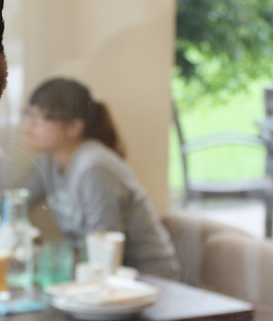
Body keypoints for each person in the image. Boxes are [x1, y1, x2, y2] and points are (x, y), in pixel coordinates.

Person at [14, 77, 180, 279]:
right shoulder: (48, 163)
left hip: (148, 277)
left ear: (74, 127)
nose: (29, 125)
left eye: (42, 117)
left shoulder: (95, 168)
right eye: (28, 114)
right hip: (101, 277)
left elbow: (102, 250)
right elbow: (12, 204)